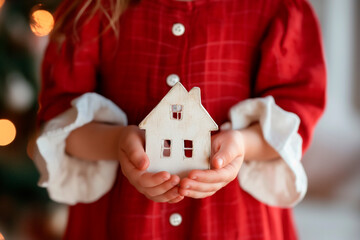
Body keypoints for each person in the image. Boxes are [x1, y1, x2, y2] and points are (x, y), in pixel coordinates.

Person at [32, 0, 326, 239]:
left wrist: (242, 144)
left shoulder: (275, 9)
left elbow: (294, 126)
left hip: (236, 223)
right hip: (119, 223)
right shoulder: (92, 9)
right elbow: (61, 124)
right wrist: (118, 143)